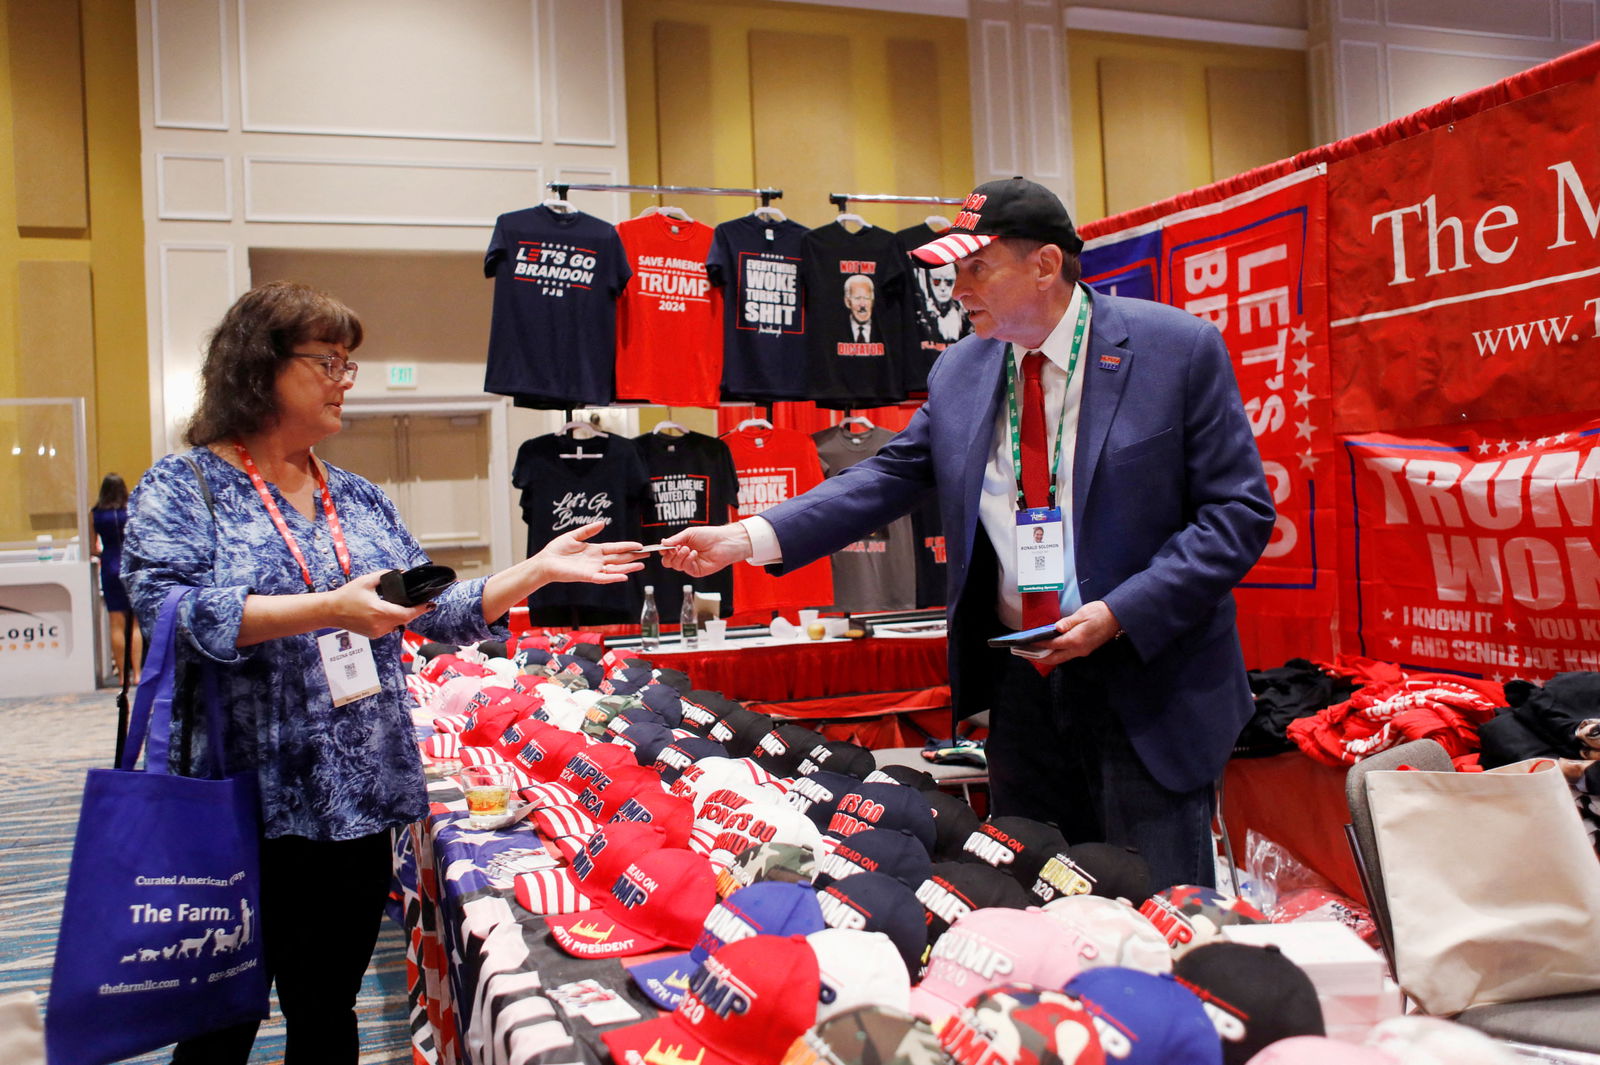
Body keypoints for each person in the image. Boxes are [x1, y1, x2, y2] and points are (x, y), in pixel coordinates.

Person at [664, 177, 1275, 891]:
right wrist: (748, 536)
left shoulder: (1175, 349)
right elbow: (887, 475)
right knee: (1037, 898)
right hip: (1023, 685)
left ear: (1045, 265)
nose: (957, 291)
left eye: (976, 268)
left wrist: (1119, 612)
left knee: (1158, 906)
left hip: (1145, 678)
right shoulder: (961, 368)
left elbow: (1237, 514)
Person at [122, 280, 645, 1063]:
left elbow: (435, 609)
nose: (345, 379)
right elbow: (170, 611)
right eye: (328, 361)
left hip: (355, 801)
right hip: (238, 803)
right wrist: (328, 608)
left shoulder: (357, 498)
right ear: (260, 366)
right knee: (216, 1030)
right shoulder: (184, 486)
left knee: (326, 1013)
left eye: (349, 363)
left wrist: (535, 569)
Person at [91, 472, 142, 684]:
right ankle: (137, 673)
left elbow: (92, 547)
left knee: (116, 622)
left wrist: (102, 553)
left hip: (110, 564)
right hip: (131, 564)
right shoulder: (131, 510)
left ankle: (122, 675)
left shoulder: (95, 514)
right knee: (135, 623)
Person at [842, 274, 877, 345]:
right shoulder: (836, 330)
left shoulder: (883, 330)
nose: (862, 304)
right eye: (857, 298)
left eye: (866, 298)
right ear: (847, 302)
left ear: (872, 301)